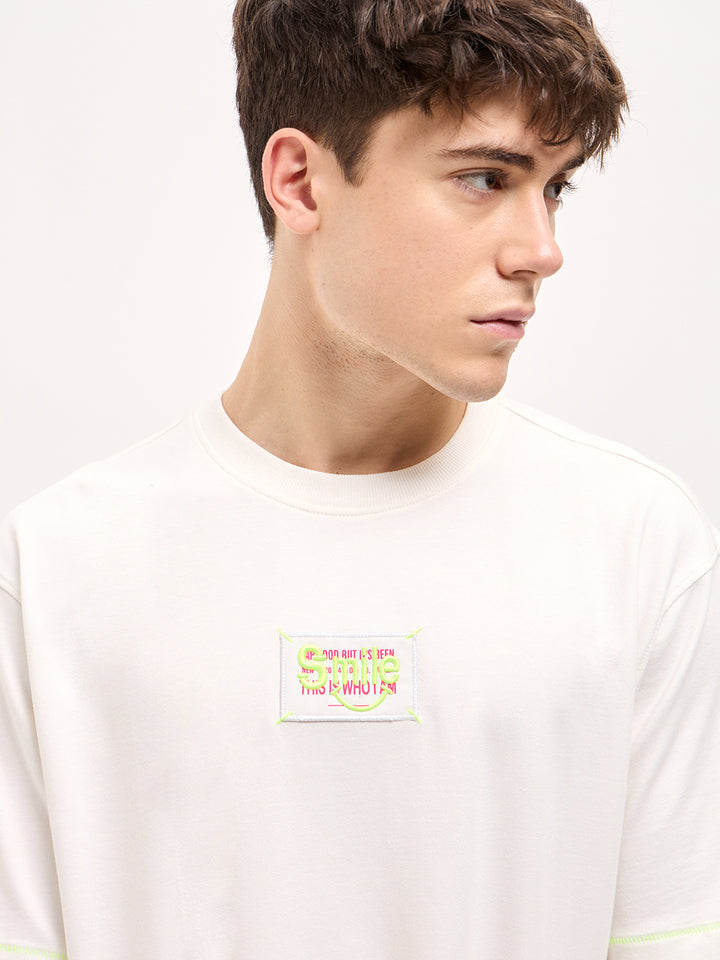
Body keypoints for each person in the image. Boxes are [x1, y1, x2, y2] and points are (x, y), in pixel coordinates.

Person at [1, 0, 718, 957]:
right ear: (299, 181)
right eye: (484, 178)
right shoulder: (56, 572)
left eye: (555, 188)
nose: (542, 249)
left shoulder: (634, 541)